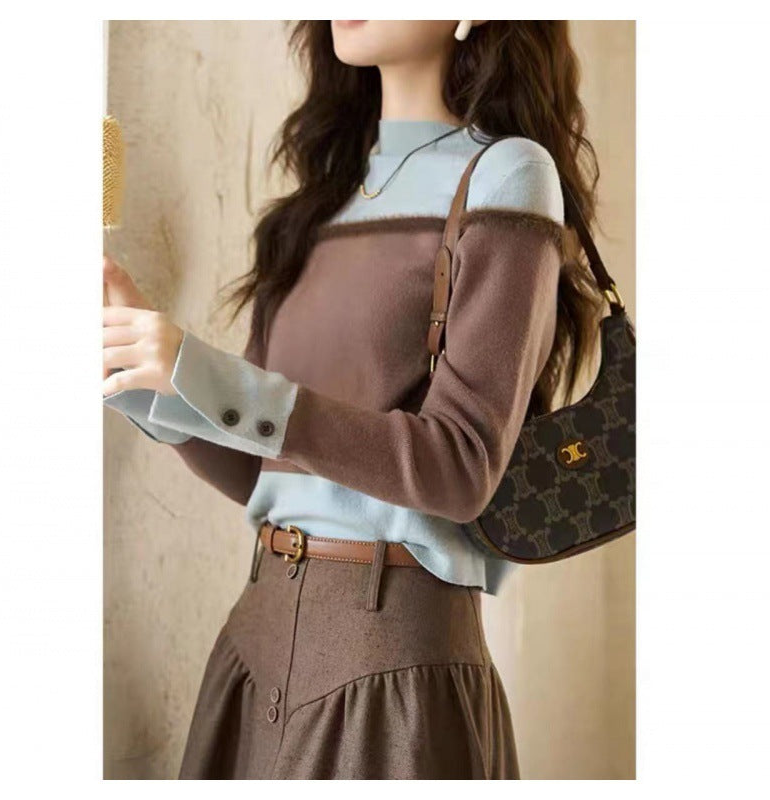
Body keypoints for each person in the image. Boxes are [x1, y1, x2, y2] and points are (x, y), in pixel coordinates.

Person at [103, 20, 604, 780]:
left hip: (392, 664)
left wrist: (202, 370)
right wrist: (141, 378)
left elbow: (461, 465)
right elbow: (260, 466)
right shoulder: (316, 203)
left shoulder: (505, 174)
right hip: (251, 647)